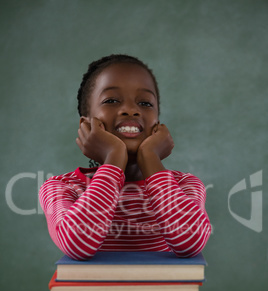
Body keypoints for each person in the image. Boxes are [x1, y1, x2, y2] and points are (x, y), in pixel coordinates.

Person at [39, 54, 211, 260]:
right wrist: (114, 157)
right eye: (111, 100)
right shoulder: (61, 187)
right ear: (86, 125)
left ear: (158, 123)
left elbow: (191, 241)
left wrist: (150, 158)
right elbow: (77, 244)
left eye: (145, 103)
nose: (131, 110)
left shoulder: (185, 185)